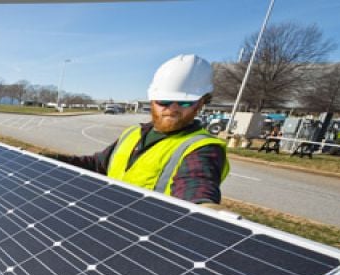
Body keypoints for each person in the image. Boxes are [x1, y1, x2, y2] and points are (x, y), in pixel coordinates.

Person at [54, 54, 229, 205]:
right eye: (164, 101)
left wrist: (205, 209)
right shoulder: (132, 134)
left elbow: (196, 185)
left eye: (185, 102)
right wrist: (48, 160)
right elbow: (99, 164)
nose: (173, 108)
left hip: (149, 234)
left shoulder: (202, 148)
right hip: (108, 219)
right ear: (152, 100)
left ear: (200, 104)